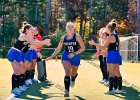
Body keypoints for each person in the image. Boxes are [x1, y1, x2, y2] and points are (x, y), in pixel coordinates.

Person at [8, 24, 51, 96]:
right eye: (31, 29)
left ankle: (19, 86)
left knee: (20, 71)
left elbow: (35, 44)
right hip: (13, 53)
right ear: (27, 30)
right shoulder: (24, 36)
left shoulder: (29, 37)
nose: (32, 31)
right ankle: (14, 89)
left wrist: (44, 43)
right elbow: (34, 43)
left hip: (18, 54)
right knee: (17, 71)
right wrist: (44, 42)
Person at [46, 21, 85, 97]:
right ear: (66, 28)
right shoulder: (63, 38)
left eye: (72, 27)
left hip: (76, 56)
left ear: (74, 28)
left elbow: (83, 48)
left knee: (73, 73)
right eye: (68, 27)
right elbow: (58, 48)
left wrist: (74, 53)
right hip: (66, 55)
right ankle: (66, 90)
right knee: (67, 72)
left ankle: (73, 78)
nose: (70, 28)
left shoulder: (77, 36)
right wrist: (51, 56)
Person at [88, 21, 123, 95]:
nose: (105, 29)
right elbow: (116, 48)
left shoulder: (110, 36)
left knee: (111, 73)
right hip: (117, 54)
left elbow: (104, 47)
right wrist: (100, 53)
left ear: (110, 28)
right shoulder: (116, 36)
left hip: (112, 55)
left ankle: (111, 90)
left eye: (107, 27)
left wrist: (94, 43)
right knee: (117, 72)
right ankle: (119, 89)